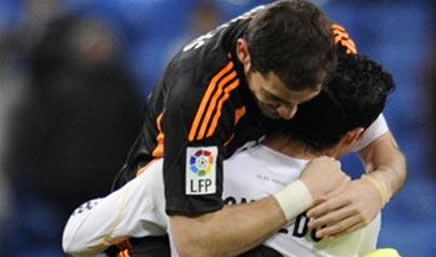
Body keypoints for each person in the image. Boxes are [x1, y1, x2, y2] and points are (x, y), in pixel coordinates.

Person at [96, 0, 406, 256]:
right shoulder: (201, 99)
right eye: (275, 99)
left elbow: (386, 155)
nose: (288, 114)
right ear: (245, 55)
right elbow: (193, 242)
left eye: (303, 101)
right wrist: (303, 193)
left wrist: (377, 188)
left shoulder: (331, 48)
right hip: (154, 230)